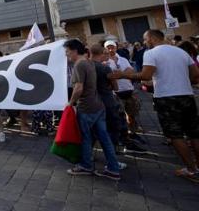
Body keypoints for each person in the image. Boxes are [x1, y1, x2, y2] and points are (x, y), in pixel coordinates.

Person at [111, 30, 199, 182]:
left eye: (145, 39)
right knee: (194, 132)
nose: (144, 42)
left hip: (166, 98)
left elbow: (145, 75)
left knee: (175, 134)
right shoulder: (180, 51)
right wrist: (182, 81)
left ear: (152, 38)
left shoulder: (151, 53)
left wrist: (123, 75)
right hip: (187, 95)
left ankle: (192, 169)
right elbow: (195, 74)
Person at [64, 39, 120, 180]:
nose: (67, 54)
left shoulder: (79, 64)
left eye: (68, 51)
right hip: (98, 106)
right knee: (104, 138)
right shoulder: (89, 62)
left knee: (86, 138)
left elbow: (78, 88)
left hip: (87, 107)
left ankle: (86, 165)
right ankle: (113, 168)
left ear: (75, 50)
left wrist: (70, 103)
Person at [104, 40, 143, 137]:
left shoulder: (123, 59)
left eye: (112, 47)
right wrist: (123, 73)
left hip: (128, 89)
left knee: (132, 113)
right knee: (119, 115)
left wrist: (120, 74)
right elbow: (109, 76)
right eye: (108, 47)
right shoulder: (105, 62)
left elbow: (131, 71)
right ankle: (124, 135)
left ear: (116, 47)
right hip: (116, 92)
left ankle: (133, 132)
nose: (110, 49)